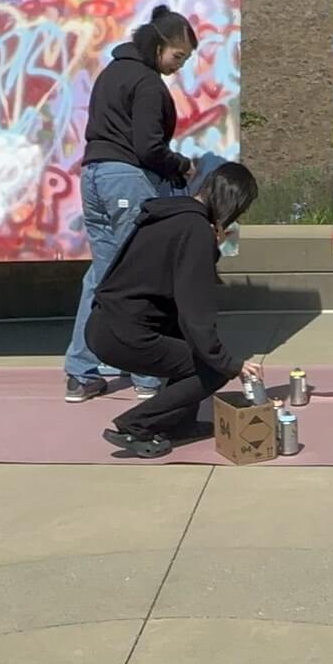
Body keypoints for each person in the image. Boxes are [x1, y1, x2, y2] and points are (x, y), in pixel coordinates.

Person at [64, 5, 200, 404]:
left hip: (93, 179)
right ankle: (147, 376)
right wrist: (182, 166)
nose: (179, 66)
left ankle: (81, 373)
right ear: (157, 46)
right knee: (141, 278)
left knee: (103, 277)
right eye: (178, 57)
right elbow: (148, 147)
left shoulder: (110, 74)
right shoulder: (146, 82)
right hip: (126, 180)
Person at [86, 161, 264, 458]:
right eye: (239, 212)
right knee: (212, 369)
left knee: (189, 350)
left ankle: (180, 424)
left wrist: (211, 247)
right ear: (232, 203)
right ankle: (135, 425)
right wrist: (231, 363)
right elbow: (196, 308)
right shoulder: (195, 229)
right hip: (125, 333)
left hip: (106, 324)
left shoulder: (172, 215)